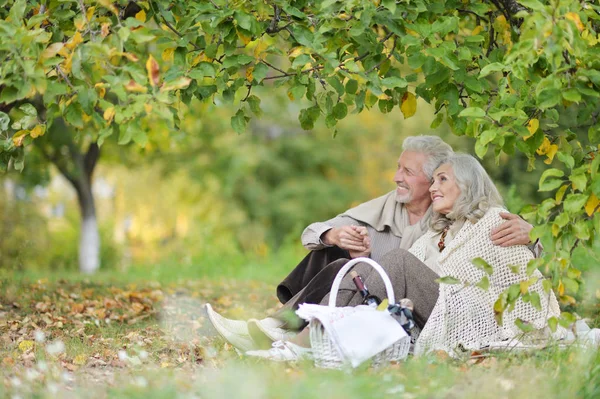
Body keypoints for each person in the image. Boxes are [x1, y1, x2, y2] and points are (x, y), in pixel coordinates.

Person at [206, 136, 537, 352]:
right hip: (392, 301)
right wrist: (337, 239)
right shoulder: (437, 230)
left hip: (452, 311)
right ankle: (286, 332)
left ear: (462, 184)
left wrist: (532, 237)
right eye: (399, 169)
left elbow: (523, 269)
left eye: (438, 179)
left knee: (392, 261)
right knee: (346, 260)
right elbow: (319, 231)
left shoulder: (491, 220)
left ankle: (294, 342)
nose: (397, 178)